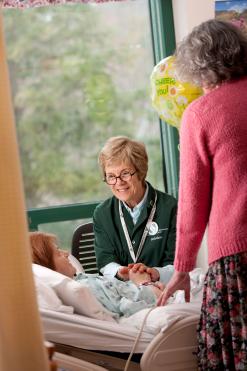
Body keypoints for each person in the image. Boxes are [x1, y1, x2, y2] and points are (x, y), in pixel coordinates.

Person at [157, 19, 247, 370]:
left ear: (197, 67)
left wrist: (182, 267)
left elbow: (193, 202)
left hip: (236, 254)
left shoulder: (201, 114)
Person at [93, 136, 177, 284]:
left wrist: (155, 273)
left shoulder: (170, 207)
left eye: (125, 173)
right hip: (122, 292)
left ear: (141, 171)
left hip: (164, 288)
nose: (119, 182)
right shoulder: (102, 214)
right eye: (111, 176)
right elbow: (105, 261)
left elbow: (177, 262)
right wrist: (121, 272)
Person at [29, 231, 164, 318]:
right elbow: (129, 306)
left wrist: (125, 279)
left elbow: (112, 291)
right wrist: (145, 283)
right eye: (58, 253)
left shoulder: (80, 279)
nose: (67, 254)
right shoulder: (87, 286)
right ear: (48, 267)